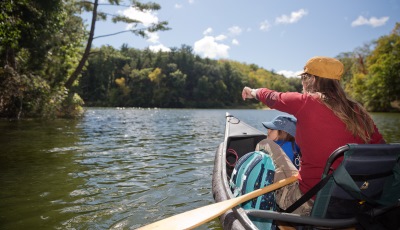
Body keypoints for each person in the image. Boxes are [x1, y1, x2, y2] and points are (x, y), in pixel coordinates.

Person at [242, 56, 385, 216]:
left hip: (309, 203)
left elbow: (272, 97)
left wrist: (252, 92)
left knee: (265, 144)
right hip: (354, 202)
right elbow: (383, 150)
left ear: (312, 79)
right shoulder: (359, 112)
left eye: (304, 77)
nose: (302, 82)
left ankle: (251, 202)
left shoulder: (306, 103)